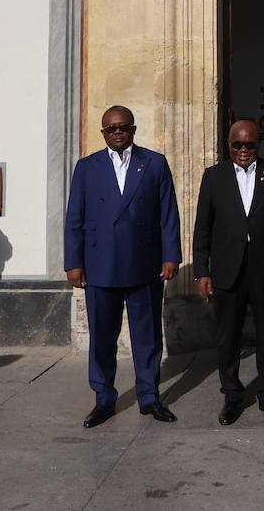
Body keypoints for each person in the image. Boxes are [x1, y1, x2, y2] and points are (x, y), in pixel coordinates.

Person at [64, 105, 182, 428]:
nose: (118, 133)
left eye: (123, 127)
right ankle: (104, 398)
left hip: (144, 265)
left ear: (133, 129)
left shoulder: (154, 163)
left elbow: (168, 214)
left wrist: (171, 255)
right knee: (102, 336)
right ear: (103, 132)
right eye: (111, 128)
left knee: (147, 337)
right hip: (100, 265)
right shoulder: (87, 168)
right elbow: (74, 217)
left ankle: (149, 397)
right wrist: (73, 262)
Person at [193, 120, 264, 425]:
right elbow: (203, 228)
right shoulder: (214, 177)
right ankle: (232, 396)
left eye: (249, 144)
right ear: (228, 145)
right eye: (237, 144)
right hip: (227, 270)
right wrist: (202, 271)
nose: (243, 150)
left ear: (258, 144)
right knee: (228, 337)